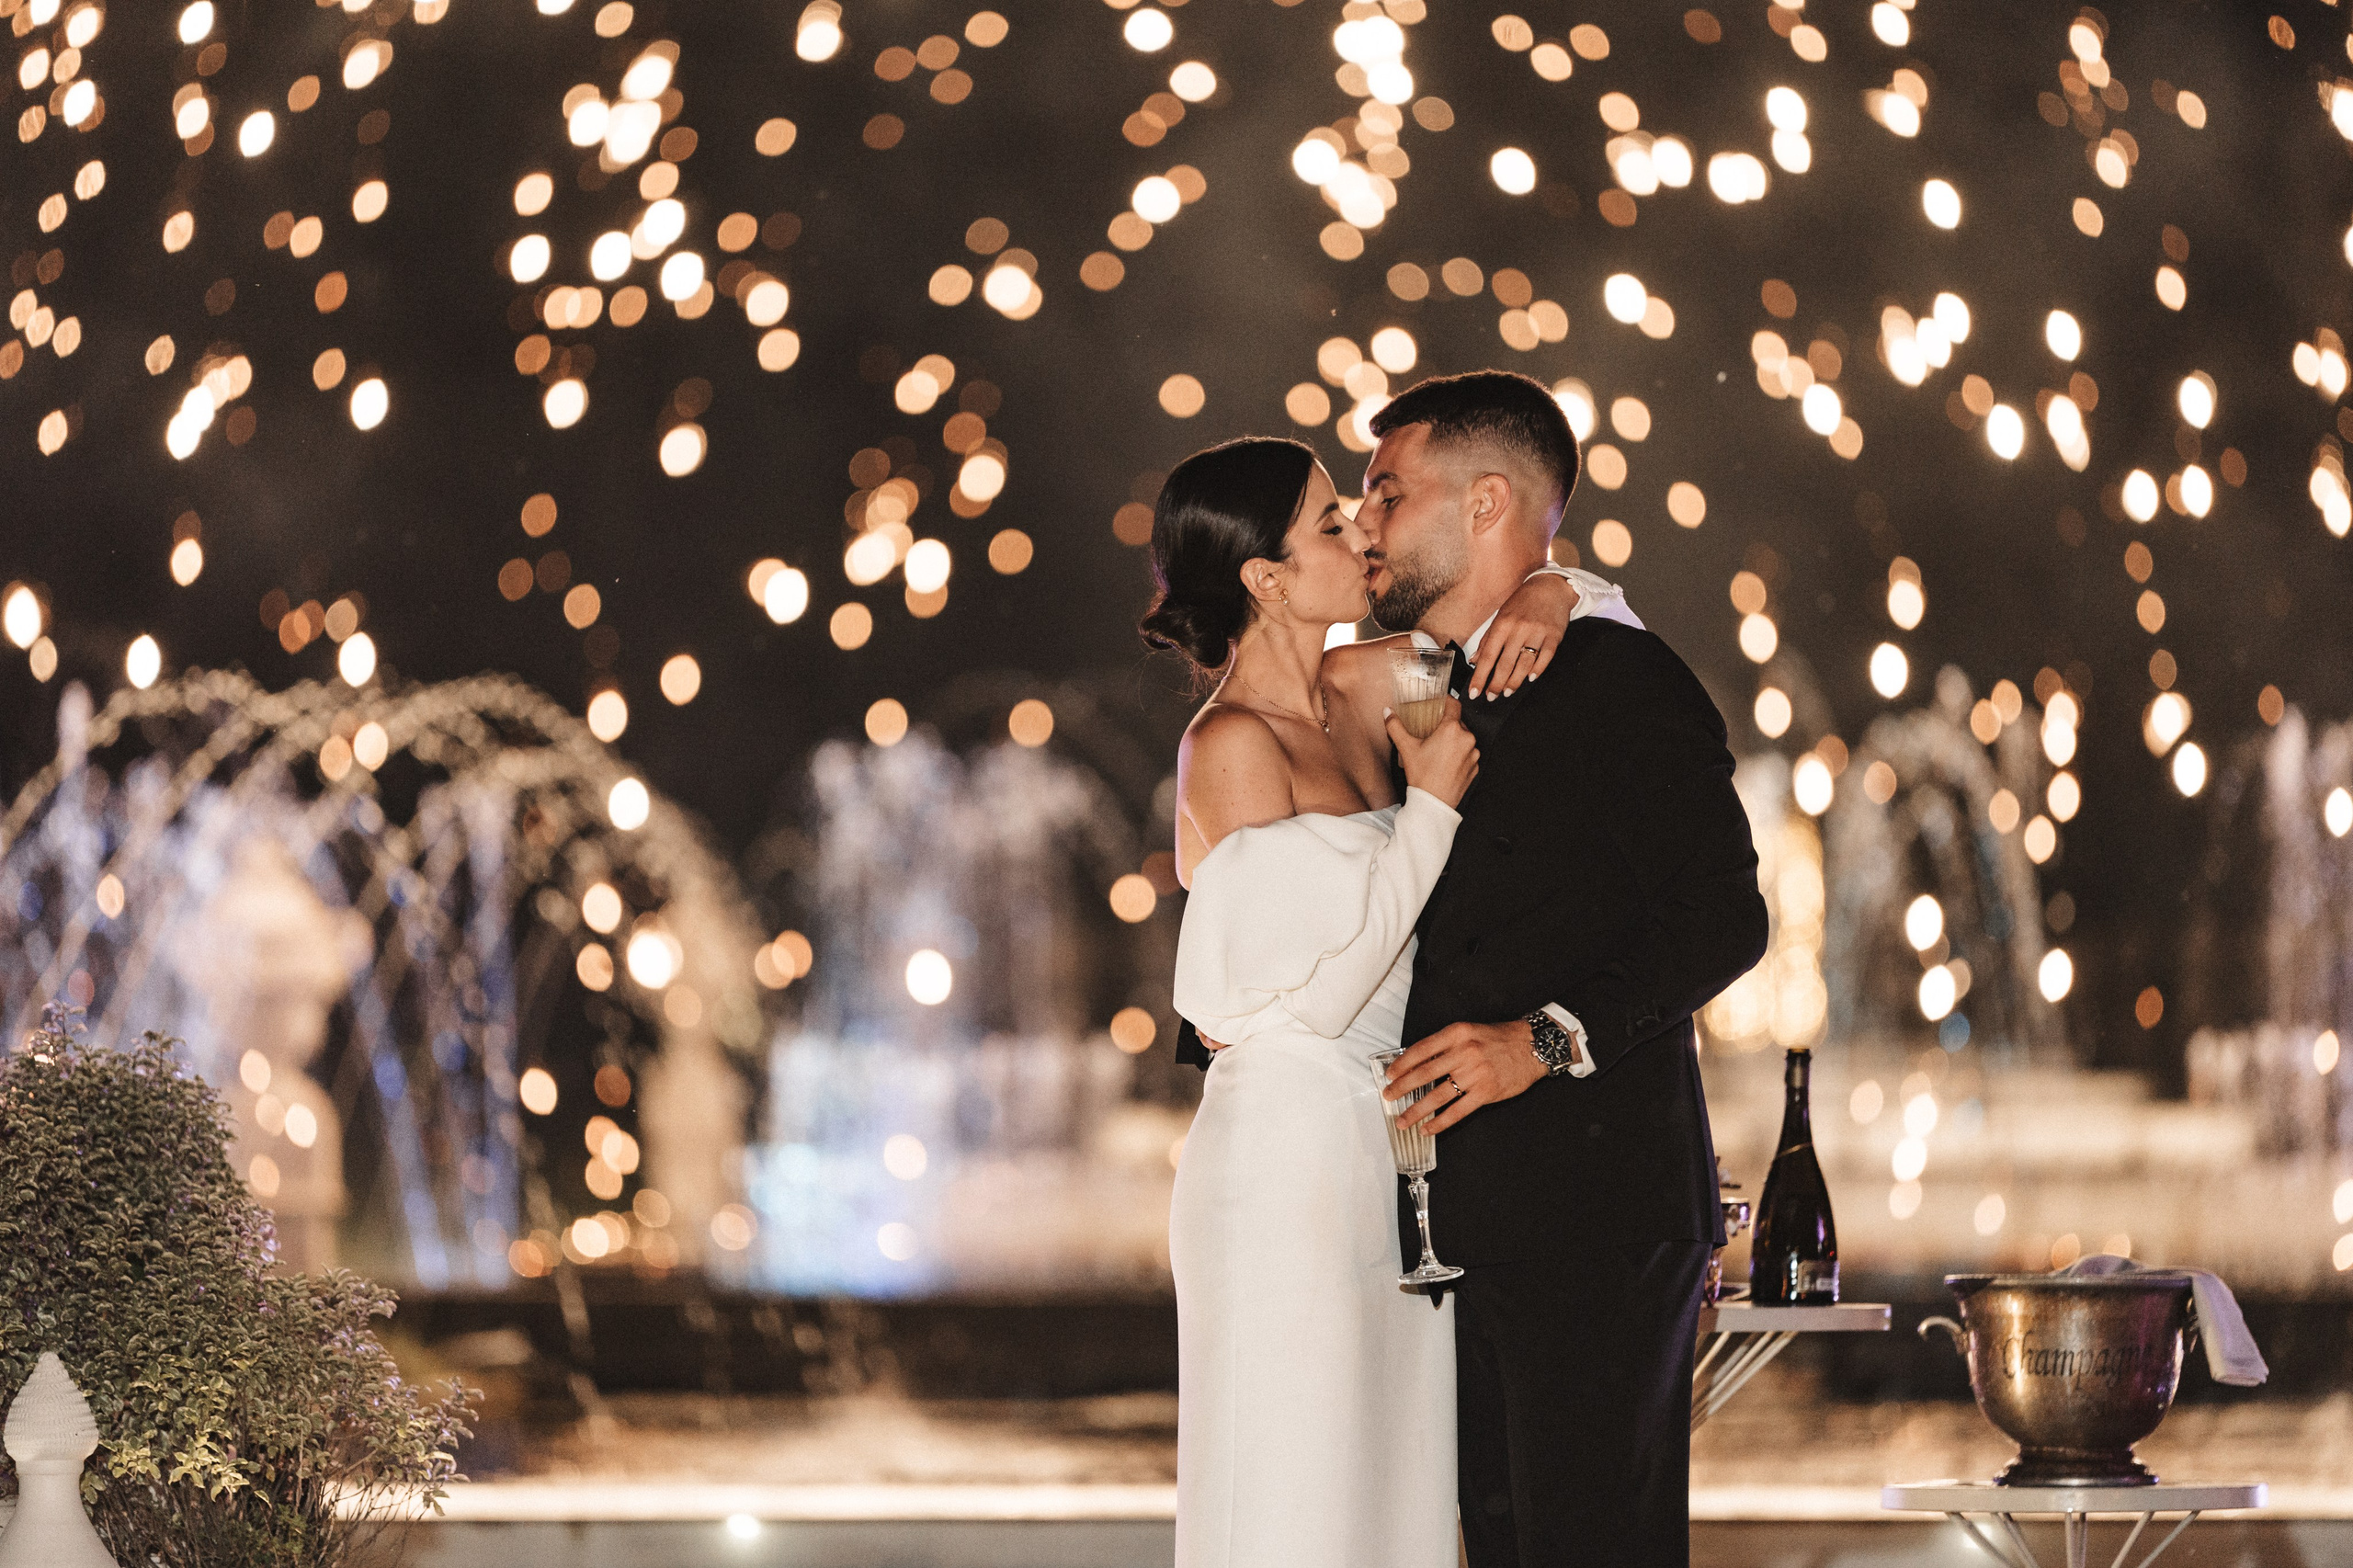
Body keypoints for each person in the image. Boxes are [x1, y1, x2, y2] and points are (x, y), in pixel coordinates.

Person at [1143, 436, 1630, 1568]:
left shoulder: (1373, 683)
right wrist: (1431, 810)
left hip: (1390, 1151)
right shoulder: (1227, 745)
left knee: (1393, 1498)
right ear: (1265, 579)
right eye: (1328, 522)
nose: (1362, 531)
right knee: (1293, 1491)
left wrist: (1558, 587)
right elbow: (1321, 994)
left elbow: (1539, 622)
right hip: (1283, 1160)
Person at [1360, 371, 1770, 1568]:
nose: (1365, 522)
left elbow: (1725, 915)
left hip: (1598, 1220)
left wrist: (1542, 1040)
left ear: (1486, 501)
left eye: (1388, 492)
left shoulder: (1619, 677)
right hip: (1465, 1219)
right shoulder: (1425, 687)